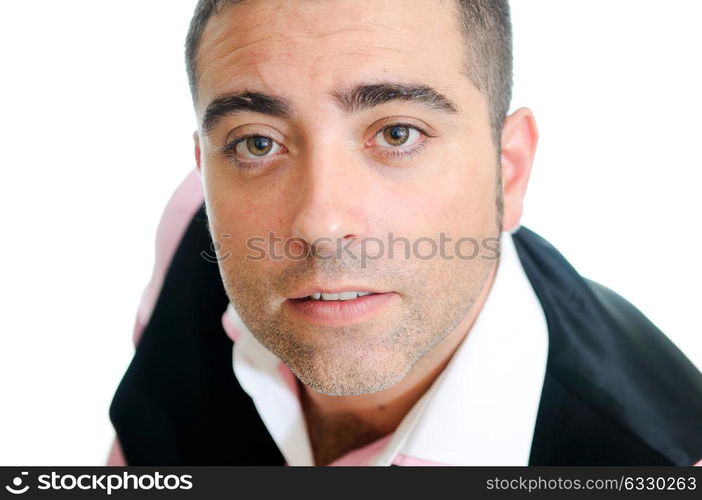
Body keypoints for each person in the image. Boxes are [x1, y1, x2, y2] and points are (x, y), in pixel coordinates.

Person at [107, 0, 702, 466]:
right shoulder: (194, 221)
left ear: (508, 171)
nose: (322, 224)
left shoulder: (663, 459)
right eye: (257, 143)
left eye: (397, 133)